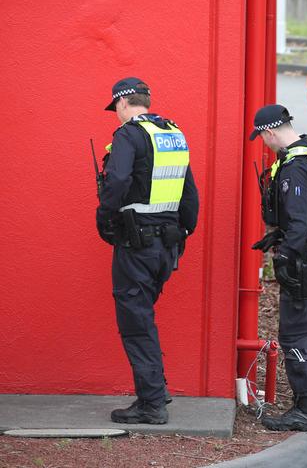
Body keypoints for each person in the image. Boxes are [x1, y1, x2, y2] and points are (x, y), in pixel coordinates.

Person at [96, 77, 199, 424]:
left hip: (137, 245)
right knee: (143, 317)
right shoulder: (173, 134)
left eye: (116, 109)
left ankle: (152, 403)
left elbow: (119, 180)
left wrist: (104, 217)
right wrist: (183, 231)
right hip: (166, 246)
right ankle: (155, 389)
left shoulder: (128, 135)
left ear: (124, 104)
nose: (116, 115)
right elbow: (189, 193)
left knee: (135, 322)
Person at [249, 104, 307, 431]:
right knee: (303, 333)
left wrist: (284, 255)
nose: (263, 143)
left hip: (303, 259)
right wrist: (279, 235)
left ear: (270, 132)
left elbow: (299, 222)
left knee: (293, 336)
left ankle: (304, 410)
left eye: (261, 137)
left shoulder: (295, 167)